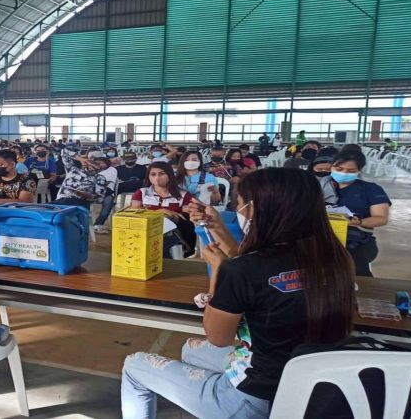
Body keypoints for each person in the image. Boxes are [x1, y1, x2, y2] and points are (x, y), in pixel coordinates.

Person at [122, 168, 356, 419]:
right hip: (313, 386)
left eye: (240, 205)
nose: (239, 211)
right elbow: (255, 271)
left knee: (134, 365)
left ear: (258, 210)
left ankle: (219, 404)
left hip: (254, 396)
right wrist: (217, 226)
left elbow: (217, 337)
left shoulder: (241, 270)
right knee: (191, 349)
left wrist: (218, 270)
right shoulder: (337, 259)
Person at [331, 150, 391, 277]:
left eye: (351, 171)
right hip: (323, 236)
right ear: (332, 166)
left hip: (356, 239)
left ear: (359, 171)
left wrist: (359, 222)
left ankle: (362, 291)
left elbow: (381, 218)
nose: (344, 173)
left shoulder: (370, 189)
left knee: (352, 262)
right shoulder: (320, 185)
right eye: (339, 168)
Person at [129, 162, 195, 256]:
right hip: (145, 231)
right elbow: (133, 214)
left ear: (170, 175)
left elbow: (186, 218)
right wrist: (160, 212)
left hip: (175, 232)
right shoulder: (142, 193)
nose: (157, 177)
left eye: (162, 173)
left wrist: (169, 216)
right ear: (149, 177)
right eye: (153, 174)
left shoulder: (183, 195)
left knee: (171, 227)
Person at [91, 157, 119, 234]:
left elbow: (105, 184)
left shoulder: (111, 170)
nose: (99, 165)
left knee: (109, 201)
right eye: (96, 163)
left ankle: (98, 224)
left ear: (107, 163)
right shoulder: (91, 170)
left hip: (106, 192)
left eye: (101, 163)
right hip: (91, 192)